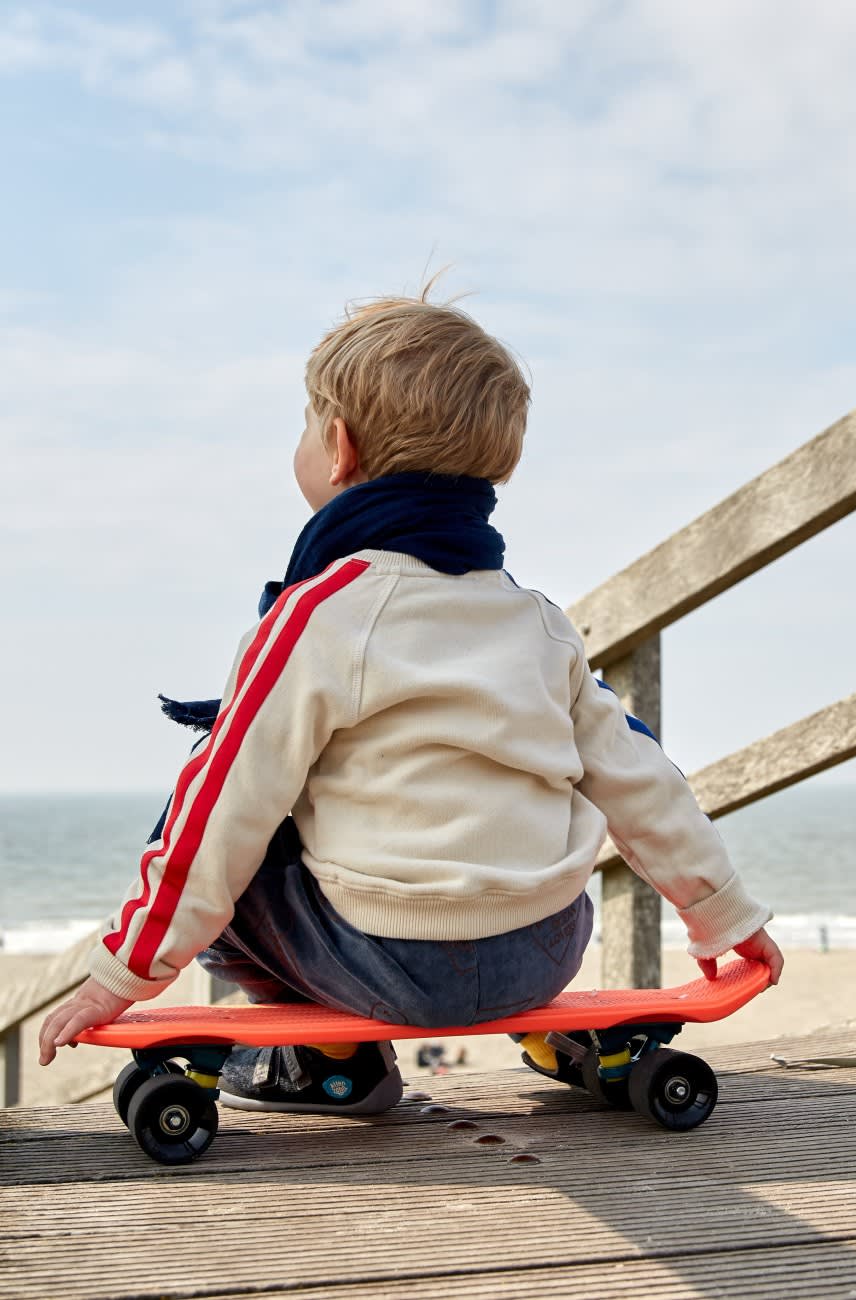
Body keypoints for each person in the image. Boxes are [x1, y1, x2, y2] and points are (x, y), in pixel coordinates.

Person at [38, 286, 784, 1114]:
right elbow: (638, 775)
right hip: (544, 949)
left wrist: (123, 973)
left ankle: (330, 1056)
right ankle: (545, 1031)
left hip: (386, 964)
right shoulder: (539, 623)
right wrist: (724, 913)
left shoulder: (321, 615)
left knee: (241, 836)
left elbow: (222, 808)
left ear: (336, 446)